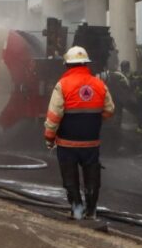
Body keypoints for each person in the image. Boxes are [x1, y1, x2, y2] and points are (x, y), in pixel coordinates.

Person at [43, 46, 115, 220]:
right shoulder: (99, 84)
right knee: (92, 177)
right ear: (86, 64)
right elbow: (109, 110)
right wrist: (94, 121)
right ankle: (91, 212)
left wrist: (49, 138)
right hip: (91, 143)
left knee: (70, 178)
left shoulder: (62, 85)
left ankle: (76, 211)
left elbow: (54, 116)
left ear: (67, 65)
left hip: (67, 144)